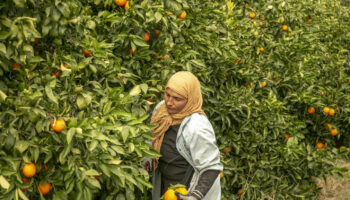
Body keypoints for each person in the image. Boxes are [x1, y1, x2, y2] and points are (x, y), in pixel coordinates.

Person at [144, 71, 223, 200]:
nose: (169, 102)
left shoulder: (197, 126)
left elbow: (212, 167)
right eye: (167, 95)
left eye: (177, 99)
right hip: (165, 188)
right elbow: (152, 136)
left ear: (190, 99)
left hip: (187, 191)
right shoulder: (161, 111)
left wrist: (195, 196)